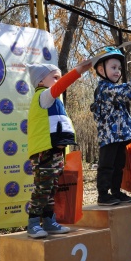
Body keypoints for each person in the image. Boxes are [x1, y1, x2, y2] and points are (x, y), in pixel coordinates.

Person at [26, 61, 91, 238]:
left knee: (53, 188)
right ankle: (33, 223)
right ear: (40, 81)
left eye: (59, 78)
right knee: (43, 187)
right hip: (44, 152)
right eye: (55, 77)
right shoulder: (44, 96)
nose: (59, 81)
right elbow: (62, 86)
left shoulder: (54, 100)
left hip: (55, 151)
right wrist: (78, 71)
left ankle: (49, 221)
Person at [90, 46, 131, 206]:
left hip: (120, 136)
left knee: (119, 165)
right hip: (109, 136)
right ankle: (103, 194)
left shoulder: (115, 87)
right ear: (101, 69)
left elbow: (128, 94)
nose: (117, 71)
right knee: (106, 165)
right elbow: (121, 92)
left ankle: (115, 192)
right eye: (113, 67)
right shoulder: (104, 88)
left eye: (119, 68)